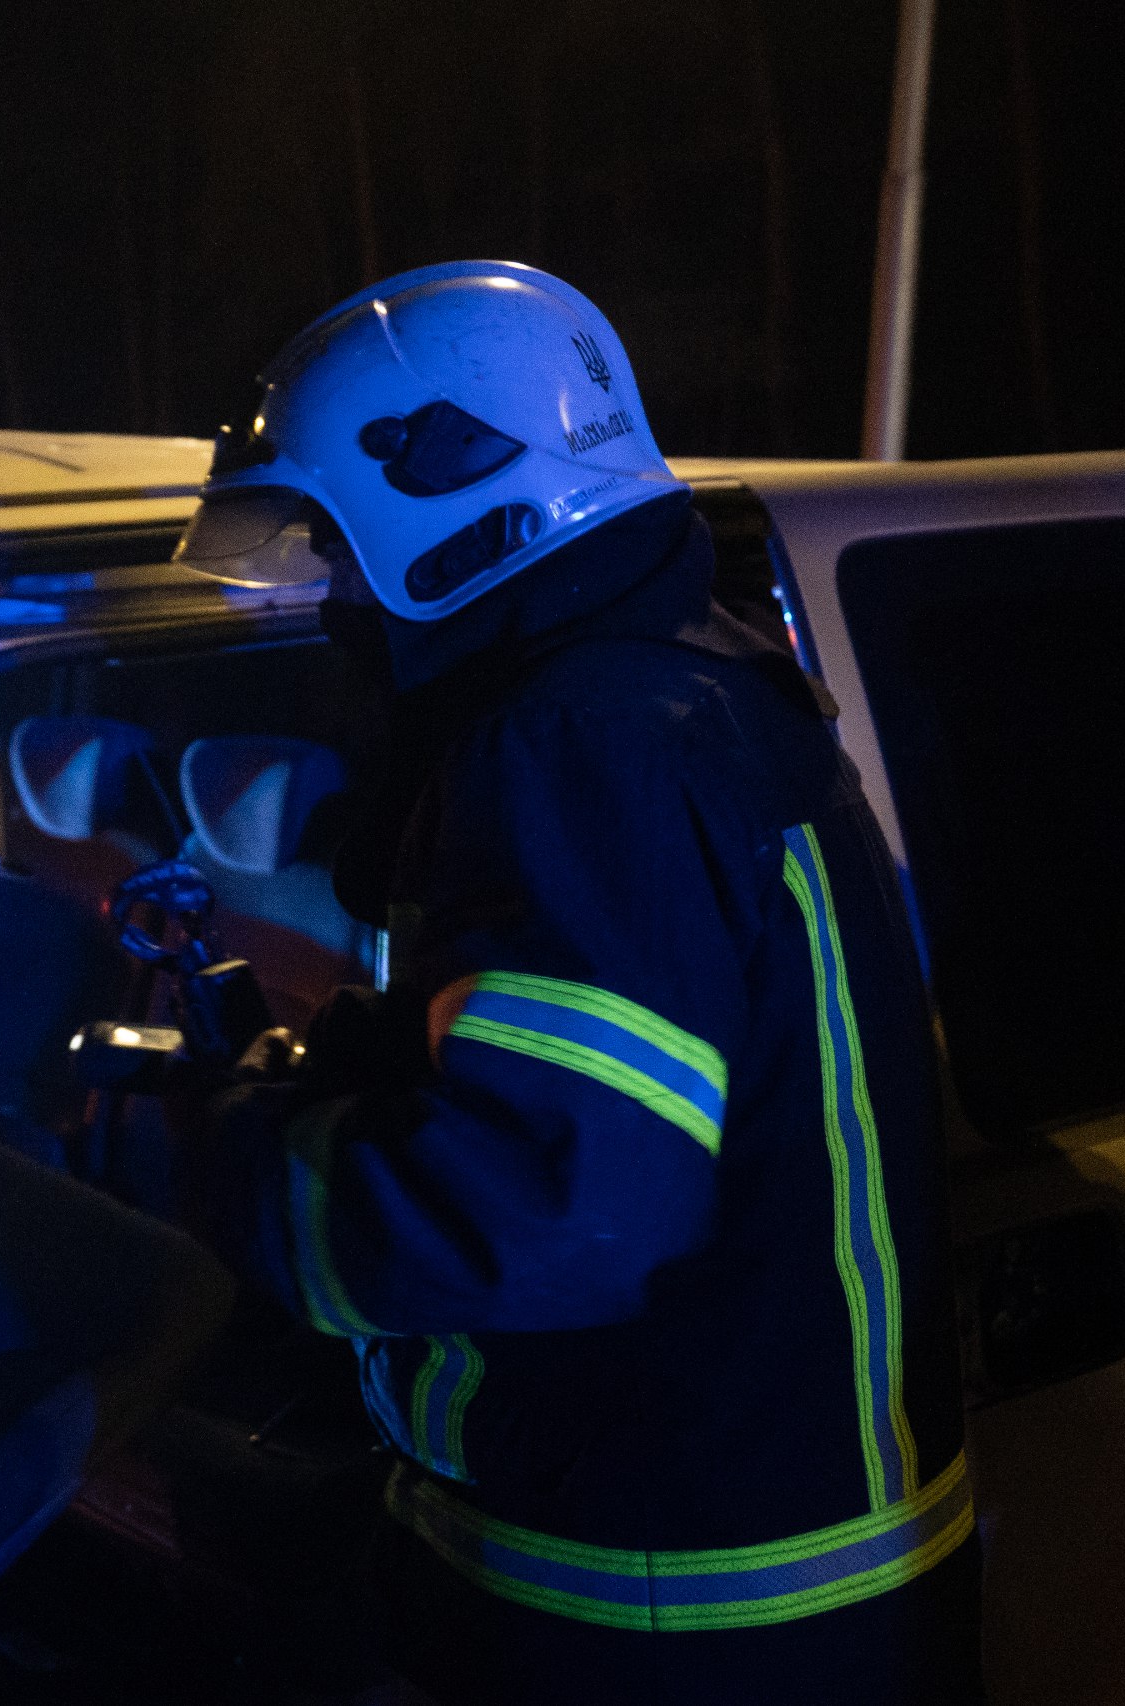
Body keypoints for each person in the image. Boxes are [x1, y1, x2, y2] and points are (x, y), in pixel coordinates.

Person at [170, 262, 983, 1704]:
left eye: (341, 542)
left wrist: (224, 1161)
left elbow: (556, 1205)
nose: (336, 589)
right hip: (760, 1584)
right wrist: (359, 1072)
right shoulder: (688, 686)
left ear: (449, 491)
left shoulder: (585, 738)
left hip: (658, 1609)